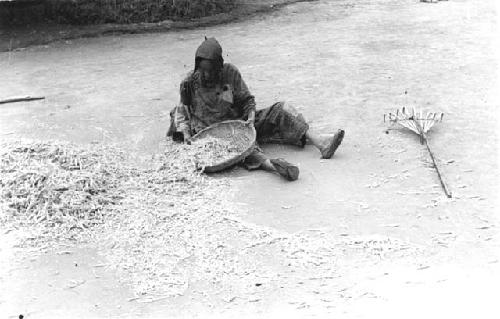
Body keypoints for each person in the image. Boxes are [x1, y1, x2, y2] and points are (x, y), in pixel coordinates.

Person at [167, 37, 345, 181]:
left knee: (281, 110)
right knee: (242, 150)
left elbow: (247, 100)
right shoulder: (189, 83)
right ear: (197, 67)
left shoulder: (230, 73)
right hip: (212, 136)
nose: (206, 75)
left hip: (239, 123)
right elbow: (181, 113)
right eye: (202, 71)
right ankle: (273, 166)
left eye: (211, 71)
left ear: (219, 68)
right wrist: (188, 137)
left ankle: (321, 142)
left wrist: (250, 118)